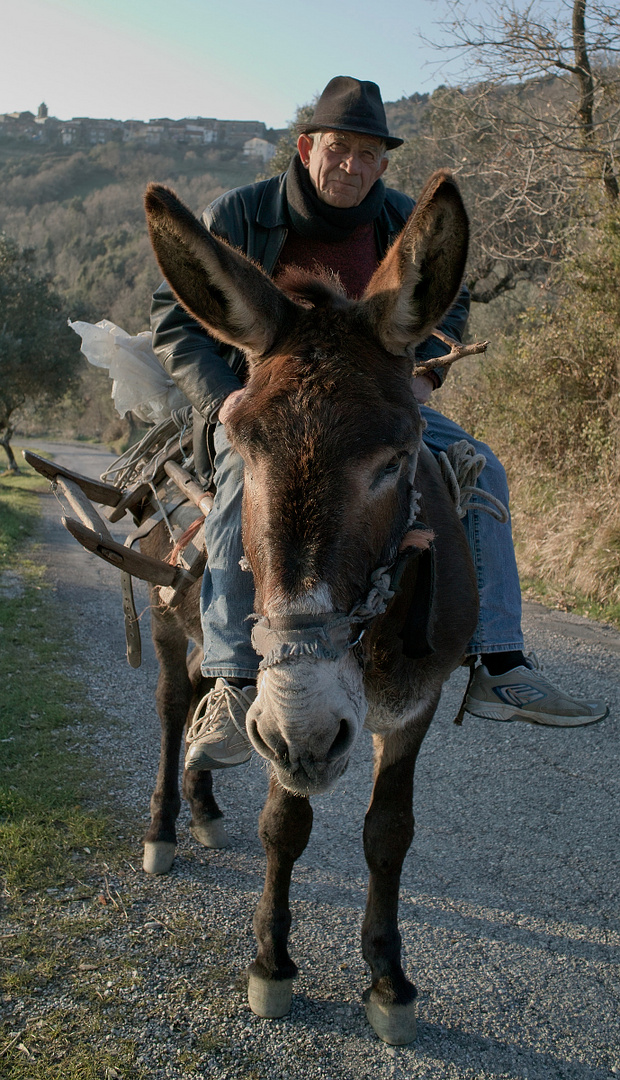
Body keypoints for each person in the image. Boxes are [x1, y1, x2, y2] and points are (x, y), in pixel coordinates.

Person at [151, 77, 607, 770]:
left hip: (375, 401)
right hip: (265, 401)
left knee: (481, 470)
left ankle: (501, 660)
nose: (353, 167)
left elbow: (443, 315)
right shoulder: (241, 212)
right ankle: (235, 676)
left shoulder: (399, 219)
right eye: (340, 149)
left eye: (370, 155)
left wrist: (422, 378)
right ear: (307, 148)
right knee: (242, 480)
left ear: (384, 165)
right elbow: (175, 317)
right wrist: (224, 397)